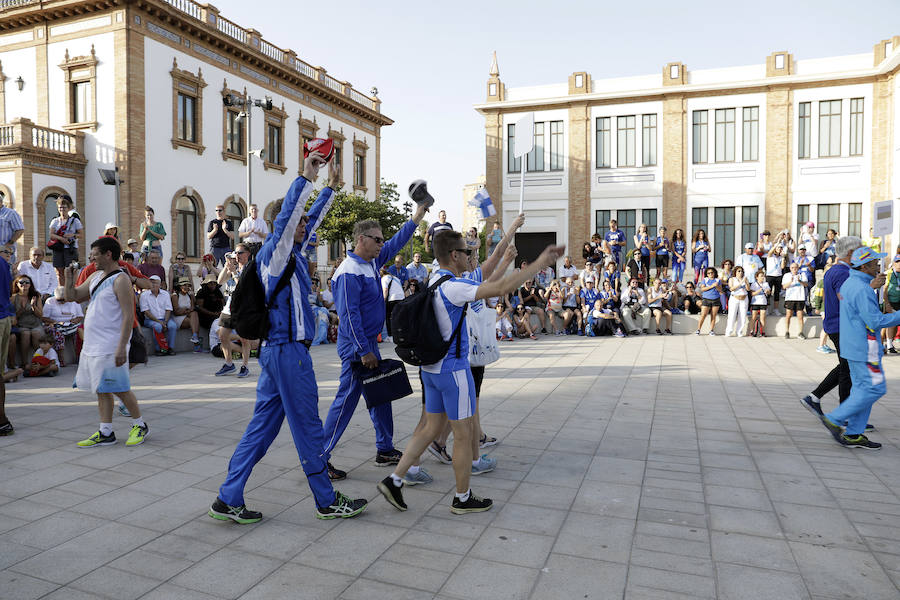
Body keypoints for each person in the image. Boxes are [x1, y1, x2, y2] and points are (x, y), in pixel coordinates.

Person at [209, 151, 368, 523]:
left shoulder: (291, 254)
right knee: (309, 428)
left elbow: (307, 225)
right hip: (288, 355)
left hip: (278, 354)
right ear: (288, 221)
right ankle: (327, 501)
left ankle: (228, 496)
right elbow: (287, 222)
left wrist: (329, 189)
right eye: (300, 220)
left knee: (261, 431)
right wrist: (307, 177)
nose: (305, 226)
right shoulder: (276, 251)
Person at [377, 230, 564, 515]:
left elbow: (486, 273)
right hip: (453, 371)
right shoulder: (456, 287)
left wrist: (504, 248)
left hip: (431, 369)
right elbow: (500, 288)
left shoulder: (437, 279)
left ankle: (395, 480)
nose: (470, 256)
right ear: (455, 255)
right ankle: (462, 498)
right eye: (466, 252)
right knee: (464, 436)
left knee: (429, 428)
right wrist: (540, 262)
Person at [323, 200, 428, 474]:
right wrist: (363, 351)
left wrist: (417, 216)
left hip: (369, 343)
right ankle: (319, 458)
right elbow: (349, 317)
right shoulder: (348, 272)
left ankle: (384, 448)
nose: (383, 244)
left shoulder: (370, 262)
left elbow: (397, 242)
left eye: (382, 240)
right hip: (356, 347)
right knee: (345, 401)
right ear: (362, 239)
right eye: (377, 240)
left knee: (380, 396)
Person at [65, 236, 148, 448]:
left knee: (118, 387)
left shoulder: (121, 280)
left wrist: (122, 346)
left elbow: (128, 315)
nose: (92, 260)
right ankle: (106, 432)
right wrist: (68, 278)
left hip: (112, 343)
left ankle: (139, 424)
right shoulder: (95, 277)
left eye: (95, 255)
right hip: (94, 343)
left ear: (108, 254)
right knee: (101, 389)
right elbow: (73, 296)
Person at [816, 246, 900, 449]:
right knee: (874, 388)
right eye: (874, 263)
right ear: (864, 266)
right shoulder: (862, 288)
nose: (878, 265)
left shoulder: (853, 283)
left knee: (864, 389)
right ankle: (835, 418)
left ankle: (854, 434)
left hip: (853, 345)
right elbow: (875, 320)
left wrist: (871, 286)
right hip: (864, 347)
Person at [801, 237, 868, 418]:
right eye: (860, 251)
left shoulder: (834, 270)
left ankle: (815, 397)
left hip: (836, 325)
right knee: (848, 371)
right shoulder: (843, 273)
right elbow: (844, 299)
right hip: (843, 327)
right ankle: (844, 415)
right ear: (850, 253)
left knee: (846, 367)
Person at [214, 247, 252, 377]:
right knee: (222, 336)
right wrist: (226, 266)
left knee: (244, 339)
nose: (237, 255)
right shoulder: (233, 267)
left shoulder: (251, 269)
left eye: (240, 253)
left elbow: (243, 288)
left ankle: (245, 366)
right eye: (236, 253)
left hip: (243, 309)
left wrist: (234, 272)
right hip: (229, 308)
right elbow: (220, 281)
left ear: (247, 254)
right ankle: (229, 364)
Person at [42, 285, 84, 363]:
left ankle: (79, 356)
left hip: (71, 324)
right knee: (57, 333)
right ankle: (61, 358)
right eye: (59, 300)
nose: (62, 302)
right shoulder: (50, 301)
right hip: (55, 324)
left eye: (64, 300)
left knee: (79, 331)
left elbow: (80, 316)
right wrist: (55, 322)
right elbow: (44, 318)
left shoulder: (73, 301)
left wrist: (75, 320)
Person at [48, 195, 83, 282]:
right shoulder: (55, 221)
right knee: (59, 271)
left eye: (64, 207)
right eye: (60, 208)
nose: (62, 210)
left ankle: (71, 290)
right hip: (58, 248)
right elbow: (51, 235)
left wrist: (73, 235)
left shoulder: (75, 221)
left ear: (68, 208)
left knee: (71, 270)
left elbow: (81, 234)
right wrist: (61, 238)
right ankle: (62, 291)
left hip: (70, 249)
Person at [140, 275, 177, 356]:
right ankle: (158, 349)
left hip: (165, 318)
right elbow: (146, 312)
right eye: (151, 282)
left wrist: (165, 322)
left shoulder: (165, 294)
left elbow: (168, 309)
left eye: (155, 283)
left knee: (173, 326)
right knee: (157, 326)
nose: (153, 284)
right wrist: (160, 322)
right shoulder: (144, 295)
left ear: (160, 285)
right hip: (150, 320)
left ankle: (170, 348)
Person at [171, 278, 202, 350]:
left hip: (188, 316)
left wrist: (184, 310)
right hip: (178, 318)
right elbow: (176, 312)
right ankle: (196, 342)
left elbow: (192, 309)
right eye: (184, 285)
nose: (187, 287)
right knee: (195, 322)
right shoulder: (175, 296)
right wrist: (186, 310)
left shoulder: (189, 295)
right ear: (180, 286)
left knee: (194, 314)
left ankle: (195, 337)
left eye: (188, 285)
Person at [782, 261, 808, 339]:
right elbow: (784, 286)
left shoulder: (802, 275)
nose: (794, 269)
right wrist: (791, 281)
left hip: (800, 298)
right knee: (788, 315)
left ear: (798, 268)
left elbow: (806, 285)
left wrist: (799, 281)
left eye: (796, 268)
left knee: (800, 316)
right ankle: (787, 331)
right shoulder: (787, 275)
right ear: (790, 268)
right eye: (792, 268)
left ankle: (800, 332)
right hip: (790, 298)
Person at [381, 265, 404, 341]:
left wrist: (383, 301)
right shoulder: (395, 278)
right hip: (401, 298)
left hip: (392, 298)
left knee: (388, 317)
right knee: (398, 317)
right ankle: (400, 334)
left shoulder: (384, 278)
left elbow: (385, 290)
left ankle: (390, 335)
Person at [724, 265, 750, 337]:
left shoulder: (745, 279)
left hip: (744, 299)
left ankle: (739, 331)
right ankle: (729, 331)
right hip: (734, 298)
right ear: (735, 272)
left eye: (742, 271)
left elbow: (748, 289)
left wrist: (746, 282)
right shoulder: (732, 279)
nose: (740, 273)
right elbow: (731, 288)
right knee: (732, 315)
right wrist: (741, 283)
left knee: (742, 316)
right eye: (739, 271)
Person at [0, 192, 24, 263]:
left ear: (0, 202)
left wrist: (7, 245)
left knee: (6, 272)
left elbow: (20, 230)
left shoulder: (11, 213)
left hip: (5, 251)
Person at [695, 267, 721, 335]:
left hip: (716, 299)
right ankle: (698, 329)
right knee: (703, 315)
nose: (710, 274)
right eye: (708, 273)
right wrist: (712, 286)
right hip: (706, 299)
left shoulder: (718, 280)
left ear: (714, 273)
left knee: (713, 315)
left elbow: (720, 290)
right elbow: (702, 289)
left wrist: (717, 286)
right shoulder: (705, 280)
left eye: (712, 272)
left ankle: (711, 330)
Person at [766, 241, 787, 315]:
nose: (780, 249)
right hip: (770, 276)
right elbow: (770, 252)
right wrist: (777, 244)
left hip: (778, 276)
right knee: (768, 292)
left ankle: (776, 309)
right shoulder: (771, 256)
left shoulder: (781, 257)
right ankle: (767, 309)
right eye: (779, 247)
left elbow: (782, 267)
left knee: (777, 293)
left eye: (781, 248)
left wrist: (783, 257)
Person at [748, 270, 771, 337]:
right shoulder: (754, 284)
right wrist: (759, 290)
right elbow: (752, 294)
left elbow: (769, 292)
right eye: (761, 276)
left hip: (763, 302)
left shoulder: (766, 284)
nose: (762, 277)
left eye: (763, 276)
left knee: (762, 317)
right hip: (755, 302)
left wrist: (767, 291)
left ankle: (762, 332)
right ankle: (751, 331)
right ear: (757, 277)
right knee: (754, 317)